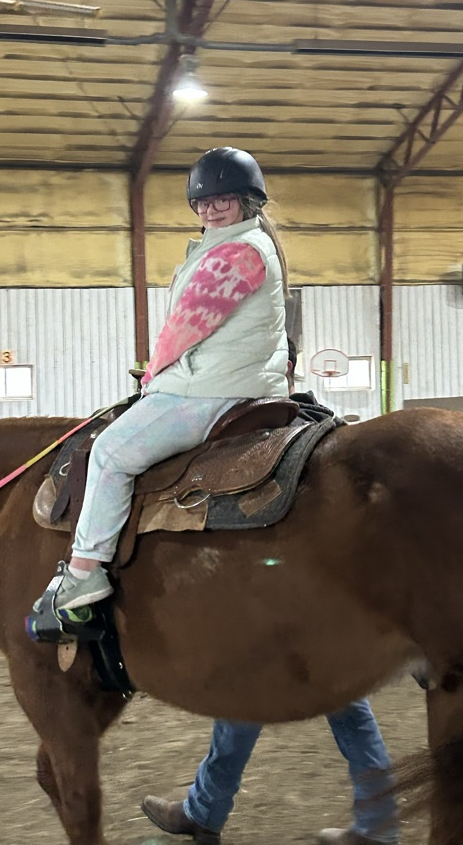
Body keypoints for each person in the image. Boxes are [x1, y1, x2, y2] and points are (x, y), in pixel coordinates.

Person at [140, 348, 400, 845]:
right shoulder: (314, 422)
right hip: (316, 603)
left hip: (288, 603)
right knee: (311, 708)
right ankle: (376, 825)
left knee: (254, 698)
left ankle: (207, 813)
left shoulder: (261, 435)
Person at [31, 146, 290, 620]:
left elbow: (188, 326)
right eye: (202, 202)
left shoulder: (238, 251)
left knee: (109, 453)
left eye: (222, 200)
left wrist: (152, 374)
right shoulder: (237, 244)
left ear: (246, 202)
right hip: (233, 378)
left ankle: (85, 572)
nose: (210, 209)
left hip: (210, 389)